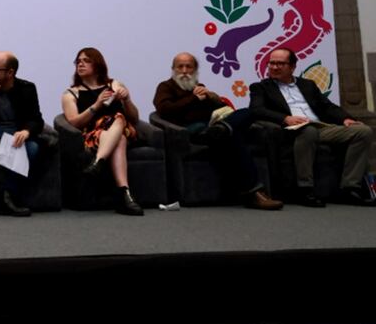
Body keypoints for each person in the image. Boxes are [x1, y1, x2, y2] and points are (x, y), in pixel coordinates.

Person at [153, 52, 282, 210]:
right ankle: (255, 193)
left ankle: (222, 129)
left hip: (212, 127)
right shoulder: (166, 87)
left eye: (189, 67)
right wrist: (193, 99)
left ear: (195, 70)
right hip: (193, 131)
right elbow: (164, 110)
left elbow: (222, 109)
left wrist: (213, 97)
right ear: (173, 69)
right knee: (234, 137)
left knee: (248, 113)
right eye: (180, 67)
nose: (185, 71)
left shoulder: (198, 86)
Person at [248, 47, 374, 207]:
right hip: (291, 131)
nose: (274, 67)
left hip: (320, 127)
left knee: (363, 131)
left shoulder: (307, 85)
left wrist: (345, 119)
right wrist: (286, 118)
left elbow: (327, 106)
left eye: (280, 64)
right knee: (309, 131)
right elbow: (256, 109)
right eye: (271, 63)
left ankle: (350, 188)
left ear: (292, 67)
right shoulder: (261, 87)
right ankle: (305, 189)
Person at [61, 47, 143, 215]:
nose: (81, 64)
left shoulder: (114, 85)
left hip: (125, 128)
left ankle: (98, 162)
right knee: (119, 138)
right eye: (78, 61)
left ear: (98, 65)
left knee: (119, 118)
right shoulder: (71, 93)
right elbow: (74, 123)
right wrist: (97, 105)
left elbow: (134, 118)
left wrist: (127, 100)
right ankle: (125, 194)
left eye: (86, 61)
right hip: (93, 135)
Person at [0, 51, 44, 217]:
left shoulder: (27, 89)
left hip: (17, 132)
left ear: (10, 72)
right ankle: (7, 199)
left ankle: (6, 197)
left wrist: (26, 131)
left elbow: (36, 119)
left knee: (32, 148)